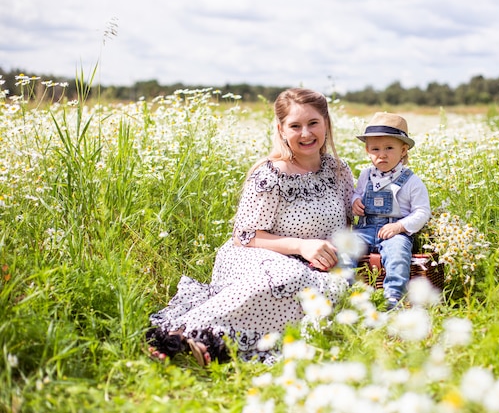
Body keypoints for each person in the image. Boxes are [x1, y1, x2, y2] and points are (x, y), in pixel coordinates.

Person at [147, 88, 355, 365]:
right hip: (255, 256)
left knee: (313, 289)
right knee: (286, 274)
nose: (306, 134)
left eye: (313, 123)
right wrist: (301, 246)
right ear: (281, 129)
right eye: (295, 126)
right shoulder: (270, 174)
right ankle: (180, 333)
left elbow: (349, 228)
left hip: (315, 268)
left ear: (326, 124)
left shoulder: (340, 171)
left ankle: (216, 344)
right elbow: (245, 237)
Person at [351, 112, 431, 311]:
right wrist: (356, 202)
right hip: (366, 228)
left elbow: (422, 211)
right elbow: (356, 193)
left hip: (395, 231)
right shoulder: (365, 175)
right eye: (375, 149)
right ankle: (347, 290)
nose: (382, 154)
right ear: (367, 151)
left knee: (397, 255)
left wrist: (399, 226)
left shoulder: (411, 180)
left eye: (389, 148)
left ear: (403, 150)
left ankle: (393, 297)